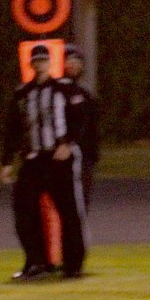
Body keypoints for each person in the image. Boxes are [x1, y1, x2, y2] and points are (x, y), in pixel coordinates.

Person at [0, 44, 88, 280]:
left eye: (43, 60)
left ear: (50, 63)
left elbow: (81, 120)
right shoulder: (23, 93)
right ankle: (35, 261)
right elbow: (13, 129)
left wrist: (68, 143)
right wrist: (7, 161)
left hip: (58, 160)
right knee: (23, 210)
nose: (40, 65)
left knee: (68, 212)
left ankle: (73, 265)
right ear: (31, 64)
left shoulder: (64, 89)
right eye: (36, 61)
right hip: (34, 159)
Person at [60, 44, 100, 210]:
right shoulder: (57, 91)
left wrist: (93, 154)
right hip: (63, 155)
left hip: (84, 156)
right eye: (68, 60)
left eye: (77, 60)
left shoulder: (85, 94)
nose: (73, 64)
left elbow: (92, 126)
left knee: (81, 203)